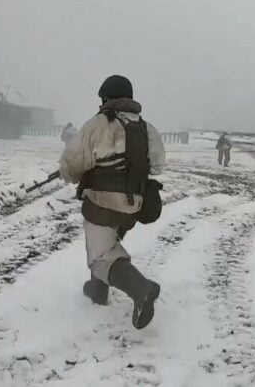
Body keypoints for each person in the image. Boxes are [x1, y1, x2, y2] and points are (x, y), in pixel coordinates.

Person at [59, 75, 166, 329]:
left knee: (101, 257)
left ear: (106, 98)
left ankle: (142, 289)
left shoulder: (98, 124)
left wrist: (71, 175)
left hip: (103, 202)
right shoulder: (146, 127)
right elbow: (158, 165)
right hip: (135, 206)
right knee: (107, 242)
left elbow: (72, 163)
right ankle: (98, 290)